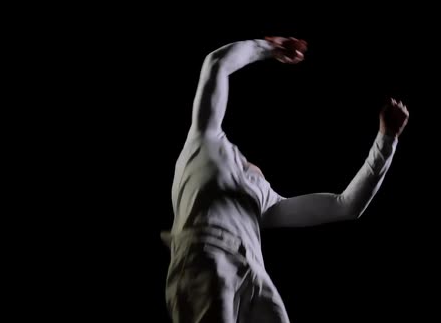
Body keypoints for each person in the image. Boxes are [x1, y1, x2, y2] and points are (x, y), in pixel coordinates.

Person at [161, 36, 410, 323]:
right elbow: (216, 64)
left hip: (255, 274)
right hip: (204, 255)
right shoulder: (206, 140)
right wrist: (267, 47)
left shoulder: (265, 200)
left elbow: (346, 205)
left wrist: (387, 140)